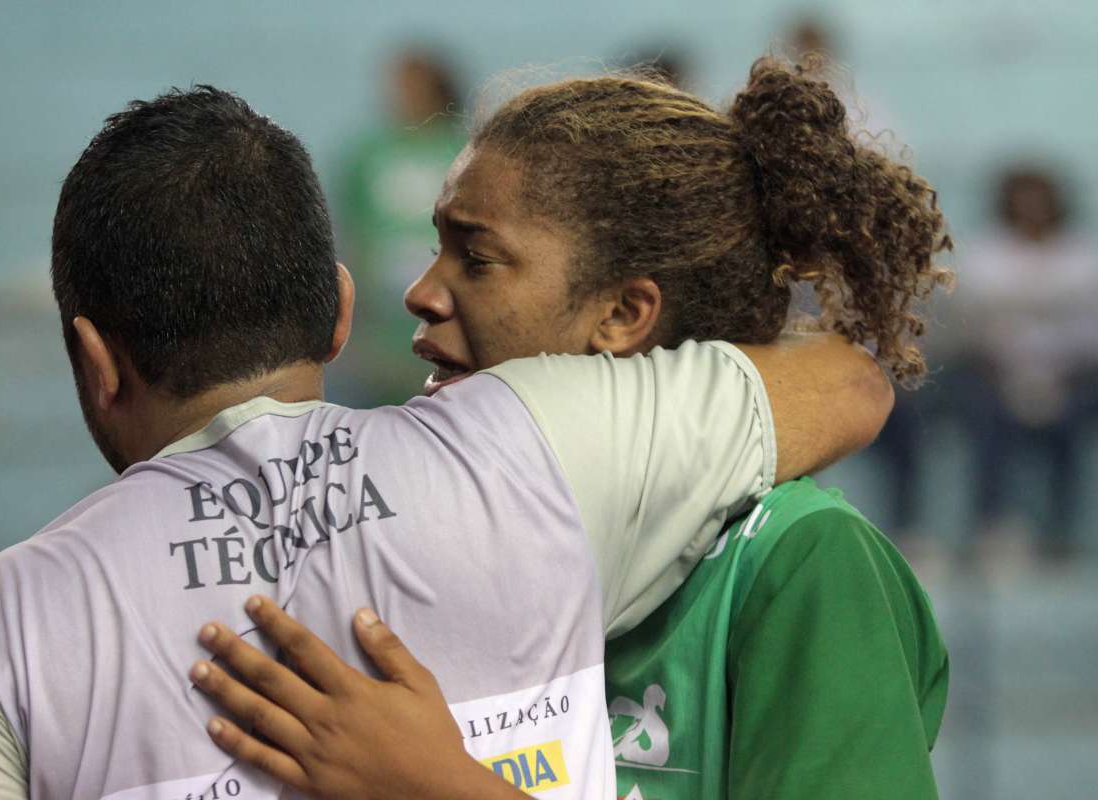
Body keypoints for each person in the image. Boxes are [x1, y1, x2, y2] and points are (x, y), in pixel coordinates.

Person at [0, 86, 886, 799]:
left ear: (94, 363)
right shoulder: (529, 448)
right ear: (338, 313)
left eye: (475, 257)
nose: (422, 291)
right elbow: (849, 380)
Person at [191, 55, 953, 799]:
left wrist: (438, 786)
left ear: (621, 314)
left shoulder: (804, 558)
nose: (422, 292)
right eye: (434, 248)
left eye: (476, 259)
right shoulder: (452, 540)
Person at [955, 164, 1098, 557]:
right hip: (997, 378)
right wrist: (1017, 380)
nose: (1031, 208)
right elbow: (971, 332)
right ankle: (991, 527)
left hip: (1072, 378)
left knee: (1074, 425)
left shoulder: (1084, 254)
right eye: (1022, 199)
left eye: (1040, 199)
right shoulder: (984, 252)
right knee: (985, 418)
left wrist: (1055, 381)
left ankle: (1062, 532)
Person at [331, 48, 469, 407]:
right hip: (382, 327)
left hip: (448, 315)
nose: (402, 93)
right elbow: (351, 235)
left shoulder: (466, 152)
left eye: (413, 83)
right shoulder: (365, 155)